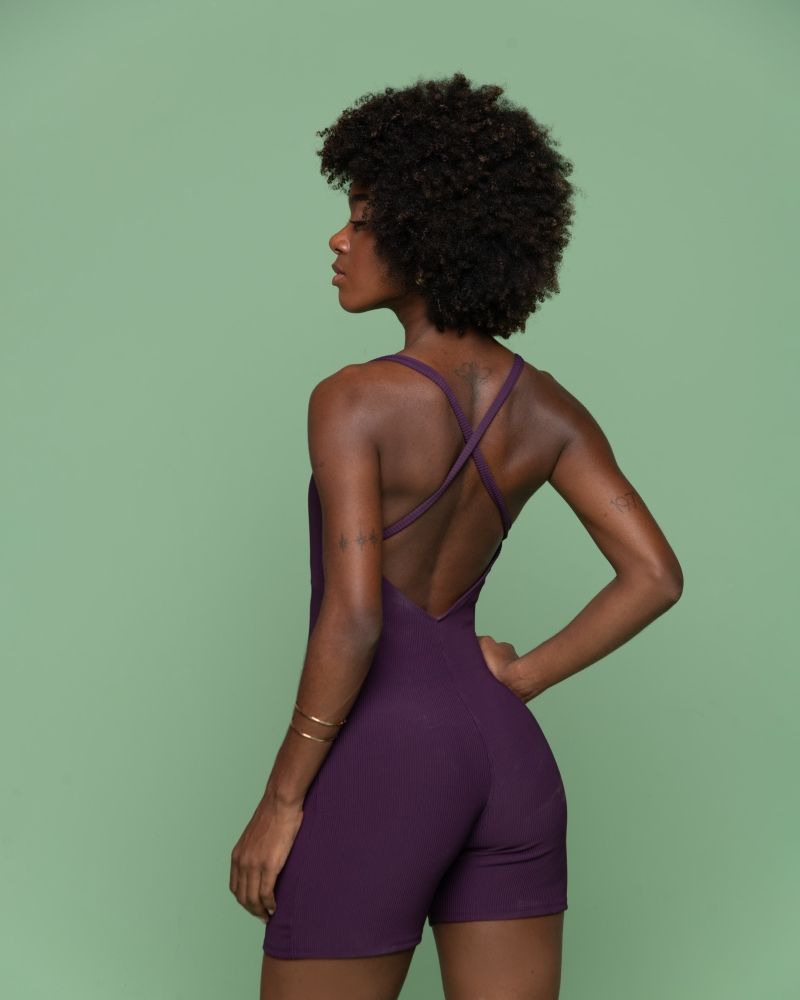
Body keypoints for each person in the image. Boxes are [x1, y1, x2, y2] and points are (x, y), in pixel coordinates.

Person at [229, 74, 683, 1000]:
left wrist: (281, 801)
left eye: (362, 220)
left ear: (428, 236)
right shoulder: (549, 408)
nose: (339, 240)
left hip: (388, 760)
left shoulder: (354, 399)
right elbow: (655, 576)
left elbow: (357, 618)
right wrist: (523, 678)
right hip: (508, 764)